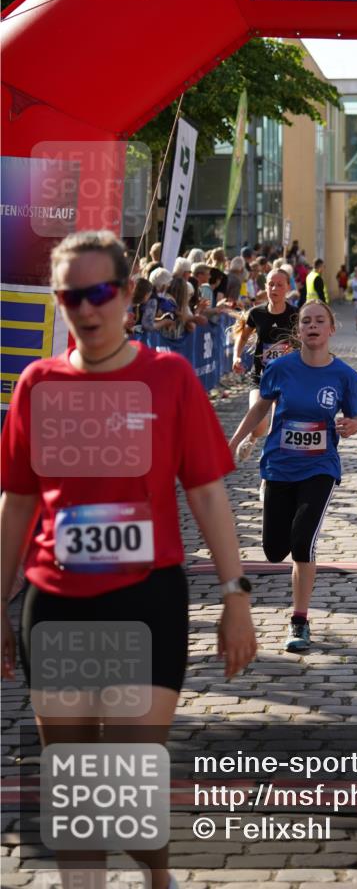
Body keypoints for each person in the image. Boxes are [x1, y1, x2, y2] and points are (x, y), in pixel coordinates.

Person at [1, 230, 256, 889]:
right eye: (69, 296)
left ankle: (157, 874)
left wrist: (235, 596)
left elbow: (205, 492)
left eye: (99, 292)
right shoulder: (38, 383)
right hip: (55, 602)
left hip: (146, 601)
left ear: (128, 294)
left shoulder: (168, 377)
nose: (85, 310)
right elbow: (18, 504)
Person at [229, 300, 357, 652]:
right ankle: (282, 537)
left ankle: (299, 621)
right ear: (298, 330)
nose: (313, 326)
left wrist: (351, 426)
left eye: (320, 320)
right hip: (279, 465)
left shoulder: (346, 376)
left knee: (303, 543)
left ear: (331, 328)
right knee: (275, 550)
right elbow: (261, 405)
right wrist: (235, 440)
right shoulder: (281, 368)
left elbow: (355, 419)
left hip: (320, 467)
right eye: (306, 321)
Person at [232, 268, 298, 465]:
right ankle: (252, 438)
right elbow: (243, 335)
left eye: (279, 284)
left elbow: (305, 342)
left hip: (287, 379)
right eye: (270, 284)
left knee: (277, 427)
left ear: (287, 287)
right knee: (258, 424)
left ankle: (267, 475)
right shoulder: (256, 313)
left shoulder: (296, 315)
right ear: (265, 287)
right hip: (261, 377)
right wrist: (236, 356)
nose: (274, 288)